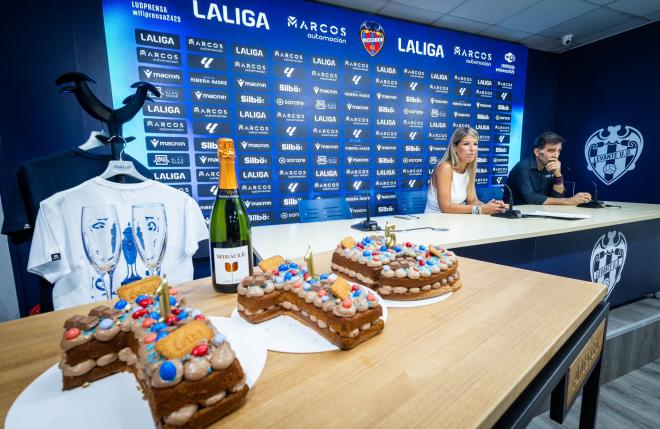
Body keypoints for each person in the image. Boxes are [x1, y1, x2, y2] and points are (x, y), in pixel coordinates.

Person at [425, 126, 506, 215]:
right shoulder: (445, 168)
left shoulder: (469, 168)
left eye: (475, 144)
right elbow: (445, 207)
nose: (472, 149)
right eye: (466, 144)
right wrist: (482, 209)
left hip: (456, 220)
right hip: (436, 221)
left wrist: (493, 207)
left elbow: (472, 201)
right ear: (455, 147)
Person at [505, 131, 591, 205]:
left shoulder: (551, 166)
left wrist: (558, 175)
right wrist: (569, 201)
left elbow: (557, 196)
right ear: (537, 152)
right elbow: (530, 198)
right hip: (515, 215)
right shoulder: (522, 167)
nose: (556, 155)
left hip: (540, 213)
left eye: (559, 151)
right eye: (551, 150)